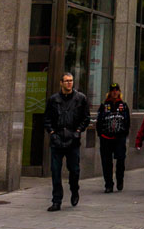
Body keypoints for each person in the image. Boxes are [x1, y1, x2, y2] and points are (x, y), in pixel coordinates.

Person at [43, 72, 90, 212]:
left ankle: (74, 190)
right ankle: (56, 200)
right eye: (66, 81)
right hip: (57, 139)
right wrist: (51, 132)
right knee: (56, 171)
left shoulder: (80, 98)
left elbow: (86, 118)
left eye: (71, 81)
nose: (69, 83)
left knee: (74, 170)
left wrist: (78, 131)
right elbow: (47, 118)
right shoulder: (53, 99)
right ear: (61, 83)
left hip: (72, 140)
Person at [96, 82, 131, 193]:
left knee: (120, 160)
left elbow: (128, 121)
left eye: (116, 90)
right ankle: (108, 184)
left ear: (119, 92)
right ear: (110, 92)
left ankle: (120, 180)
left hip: (119, 138)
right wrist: (100, 133)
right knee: (106, 162)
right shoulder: (104, 105)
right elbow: (99, 121)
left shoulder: (124, 106)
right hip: (106, 138)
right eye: (113, 90)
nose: (114, 92)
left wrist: (124, 133)